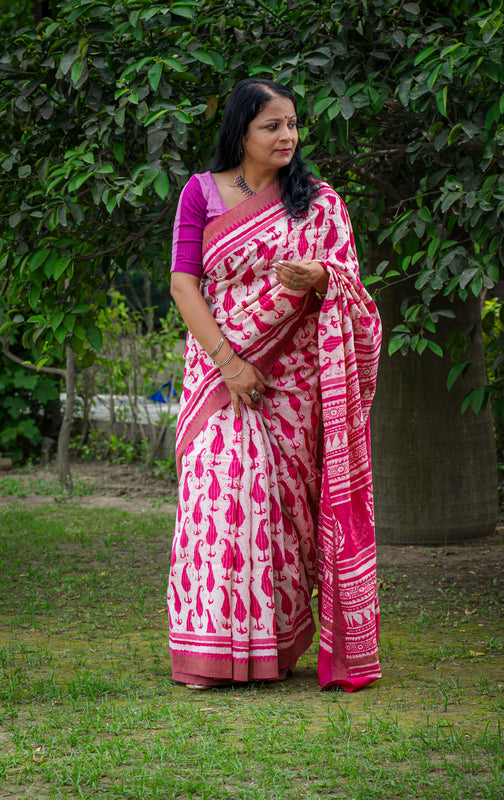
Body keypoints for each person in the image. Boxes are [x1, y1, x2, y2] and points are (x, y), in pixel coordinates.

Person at [167, 78, 382, 691]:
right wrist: (229, 363)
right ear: (241, 132)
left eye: (292, 124)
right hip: (219, 369)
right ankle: (209, 653)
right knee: (223, 493)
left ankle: (272, 650)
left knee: (279, 509)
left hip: (292, 382)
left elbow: (350, 290)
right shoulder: (201, 193)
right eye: (272, 126)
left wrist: (320, 276)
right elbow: (184, 284)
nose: (287, 135)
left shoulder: (317, 202)